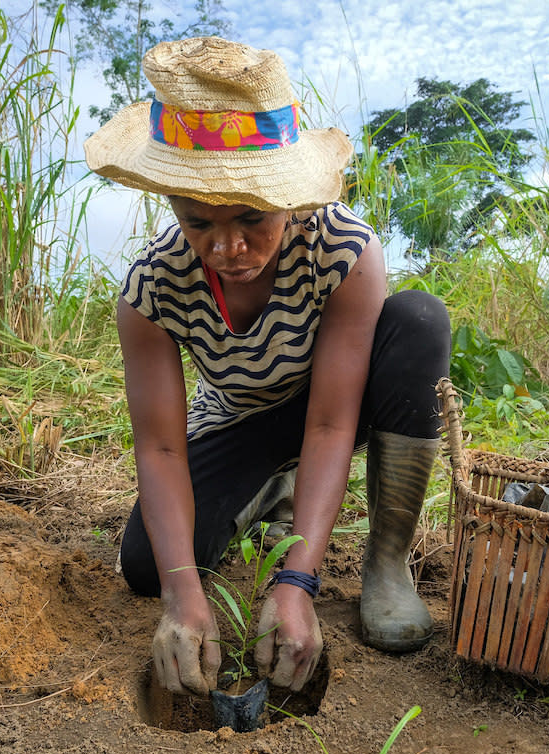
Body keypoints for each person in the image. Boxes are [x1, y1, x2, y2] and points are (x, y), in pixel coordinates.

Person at [84, 36, 451, 697]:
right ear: (170, 203)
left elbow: (333, 426)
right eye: (198, 222)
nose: (227, 247)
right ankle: (272, 489)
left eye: (252, 218)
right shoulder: (152, 288)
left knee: (420, 319)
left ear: (288, 197)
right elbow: (162, 447)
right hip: (243, 421)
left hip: (337, 406)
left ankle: (388, 564)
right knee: (145, 564)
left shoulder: (342, 249)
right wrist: (182, 595)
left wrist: (295, 583)